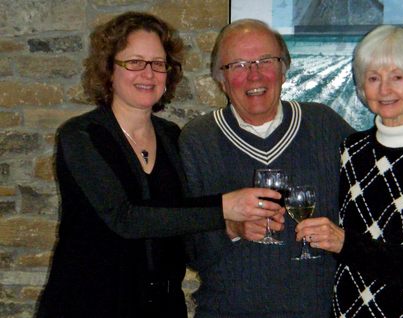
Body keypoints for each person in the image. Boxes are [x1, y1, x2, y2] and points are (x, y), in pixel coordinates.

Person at [35, 12, 282, 318]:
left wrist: (233, 226)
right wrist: (224, 208)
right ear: (109, 70)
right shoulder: (81, 136)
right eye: (134, 62)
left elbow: (181, 221)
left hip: (162, 309)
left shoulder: (172, 137)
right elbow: (125, 217)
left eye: (158, 64)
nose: (148, 73)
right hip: (87, 306)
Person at [178, 19, 355, 317]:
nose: (254, 75)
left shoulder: (325, 125)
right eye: (238, 65)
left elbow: (380, 187)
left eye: (265, 61)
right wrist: (231, 229)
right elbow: (189, 251)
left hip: (317, 310)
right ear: (221, 79)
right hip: (229, 312)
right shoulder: (198, 139)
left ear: (283, 71)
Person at [295, 25, 403, 317]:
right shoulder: (348, 151)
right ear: (362, 85)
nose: (385, 90)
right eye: (374, 78)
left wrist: (346, 242)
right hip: (351, 310)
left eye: (397, 77)